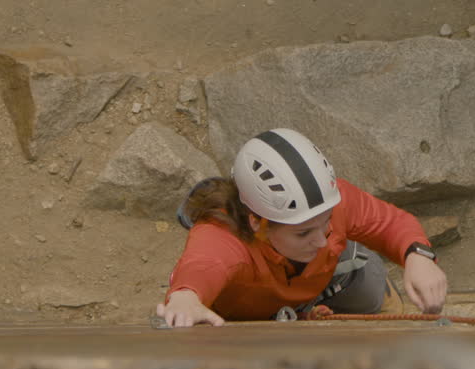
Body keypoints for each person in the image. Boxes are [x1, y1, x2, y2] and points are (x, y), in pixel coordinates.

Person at [157, 128, 448, 327]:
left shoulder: (335, 203)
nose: (320, 240)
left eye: (325, 225)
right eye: (303, 232)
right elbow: (203, 264)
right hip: (254, 307)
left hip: (324, 282)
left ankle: (349, 272)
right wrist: (185, 298)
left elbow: (390, 223)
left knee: (368, 288)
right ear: (257, 221)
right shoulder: (222, 233)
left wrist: (418, 256)